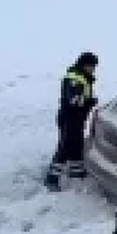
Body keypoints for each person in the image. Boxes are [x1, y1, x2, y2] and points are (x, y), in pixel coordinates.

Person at [44, 51, 99, 191]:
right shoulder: (75, 78)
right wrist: (89, 102)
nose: (93, 69)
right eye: (92, 66)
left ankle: (76, 172)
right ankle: (51, 178)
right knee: (65, 147)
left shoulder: (82, 77)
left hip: (76, 118)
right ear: (85, 65)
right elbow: (73, 100)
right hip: (70, 118)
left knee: (77, 144)